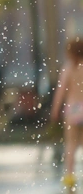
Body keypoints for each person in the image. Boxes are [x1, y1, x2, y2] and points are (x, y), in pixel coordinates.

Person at [51, 38, 83, 192]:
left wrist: (55, 110)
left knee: (71, 144)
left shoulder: (68, 69)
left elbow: (61, 91)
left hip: (73, 111)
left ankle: (70, 176)